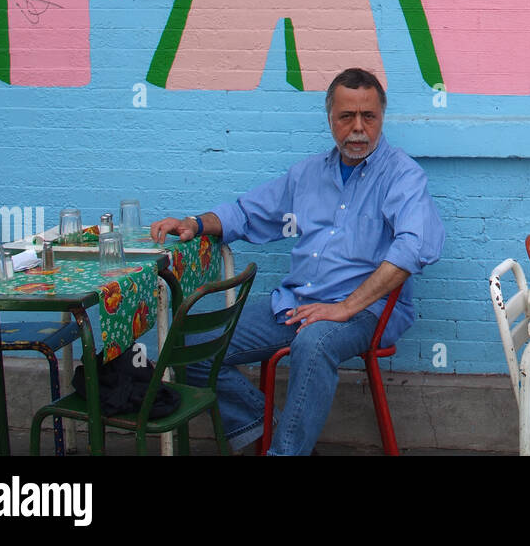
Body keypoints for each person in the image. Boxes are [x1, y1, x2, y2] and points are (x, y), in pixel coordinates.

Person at [150, 67, 445, 455]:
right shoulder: (307, 175)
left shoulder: (402, 176)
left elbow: (414, 247)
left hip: (365, 313)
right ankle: (274, 432)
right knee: (189, 349)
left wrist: (344, 308)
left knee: (313, 342)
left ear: (381, 118)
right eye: (346, 116)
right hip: (296, 305)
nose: (358, 127)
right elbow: (248, 213)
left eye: (368, 116)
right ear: (330, 120)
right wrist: (196, 223)